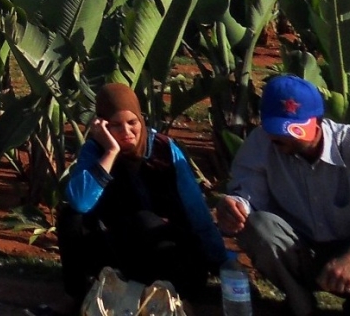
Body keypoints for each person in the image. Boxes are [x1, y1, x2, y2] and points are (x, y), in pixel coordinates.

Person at [216, 74, 350, 316]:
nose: (281, 138)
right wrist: (235, 208)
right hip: (298, 251)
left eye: (292, 130)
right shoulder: (262, 142)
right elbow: (248, 194)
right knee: (257, 225)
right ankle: (300, 307)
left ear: (317, 122)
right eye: (275, 129)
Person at [58, 82, 225, 300]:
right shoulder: (96, 150)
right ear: (103, 125)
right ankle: (81, 297)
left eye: (132, 122)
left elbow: (197, 211)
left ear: (141, 120)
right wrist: (111, 152)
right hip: (123, 250)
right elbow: (80, 202)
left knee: (143, 221)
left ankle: (170, 295)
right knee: (70, 217)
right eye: (116, 125)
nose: (126, 132)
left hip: (171, 252)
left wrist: (221, 262)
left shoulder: (164, 149)